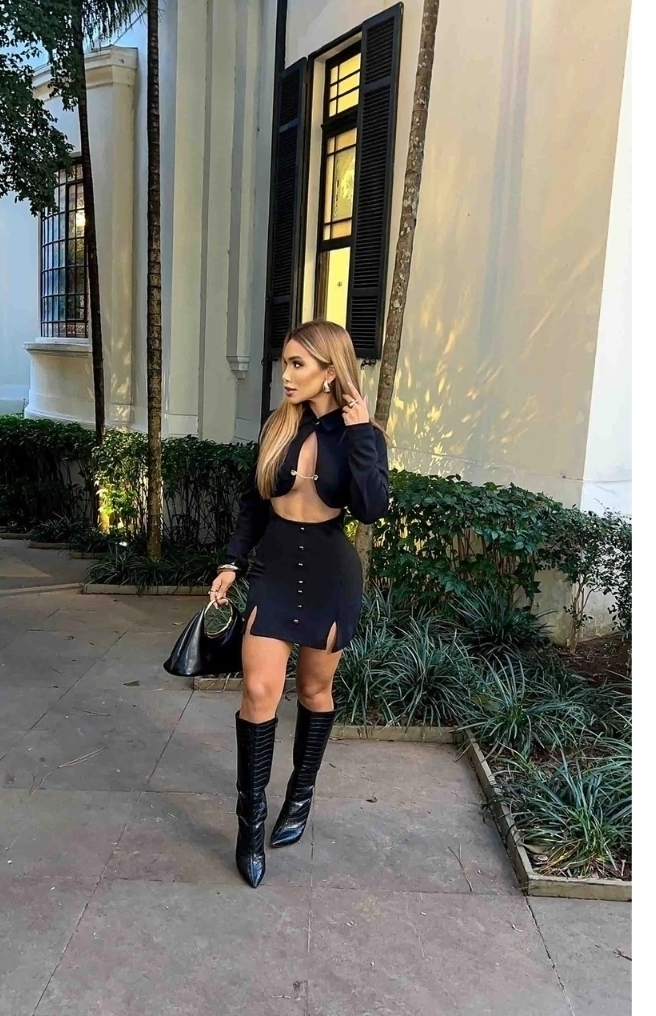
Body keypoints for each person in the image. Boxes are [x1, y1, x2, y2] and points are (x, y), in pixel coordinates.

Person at [209, 320, 390, 888]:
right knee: (258, 690)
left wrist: (361, 436)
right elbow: (252, 504)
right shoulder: (278, 426)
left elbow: (371, 508)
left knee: (314, 690)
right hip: (276, 570)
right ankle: (250, 823)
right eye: (285, 363)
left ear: (330, 372)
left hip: (331, 576)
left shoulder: (362, 435)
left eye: (298, 365)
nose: (286, 375)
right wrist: (232, 562)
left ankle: (300, 794)